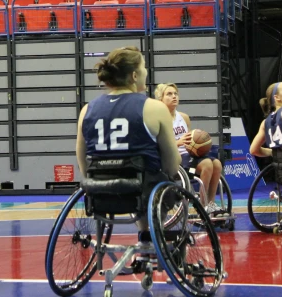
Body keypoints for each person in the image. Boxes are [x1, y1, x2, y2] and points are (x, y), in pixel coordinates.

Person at [76, 47, 180, 230]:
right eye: (144, 67)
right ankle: (150, 235)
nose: (146, 72)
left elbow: (82, 160)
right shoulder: (154, 108)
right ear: (134, 75)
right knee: (167, 180)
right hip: (143, 192)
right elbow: (171, 164)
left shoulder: (87, 110)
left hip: (100, 192)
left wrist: (95, 183)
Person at [155, 83, 223, 213]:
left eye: (175, 93)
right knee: (207, 164)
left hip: (189, 156)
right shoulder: (160, 119)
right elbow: (157, 145)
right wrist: (178, 142)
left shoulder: (184, 117)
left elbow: (191, 139)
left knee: (217, 164)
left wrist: (199, 143)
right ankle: (202, 206)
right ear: (161, 99)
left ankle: (211, 203)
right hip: (174, 160)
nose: (174, 96)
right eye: (169, 94)